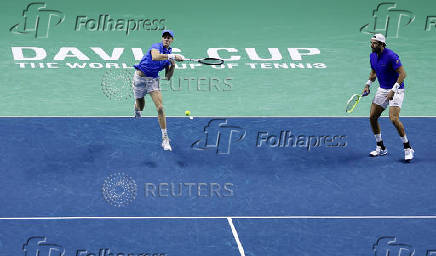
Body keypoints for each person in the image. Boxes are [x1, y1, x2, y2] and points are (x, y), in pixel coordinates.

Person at [362, 33, 414, 161]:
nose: (371, 45)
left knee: (394, 119)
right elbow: (374, 72)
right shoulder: (372, 56)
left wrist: (393, 89)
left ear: (382, 44)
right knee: (372, 117)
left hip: (396, 89)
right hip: (382, 89)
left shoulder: (391, 56)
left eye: (374, 43)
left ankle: (408, 148)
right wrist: (368, 84)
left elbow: (403, 74)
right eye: (371, 42)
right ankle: (381, 147)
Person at [133, 29, 183, 151]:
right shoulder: (156, 46)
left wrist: (173, 65)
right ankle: (137, 110)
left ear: (172, 40)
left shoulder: (168, 55)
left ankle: (165, 138)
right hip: (139, 78)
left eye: (169, 37)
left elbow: (168, 77)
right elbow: (155, 57)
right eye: (165, 37)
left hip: (153, 80)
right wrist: (172, 56)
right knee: (140, 104)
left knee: (160, 108)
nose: (166, 39)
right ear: (162, 38)